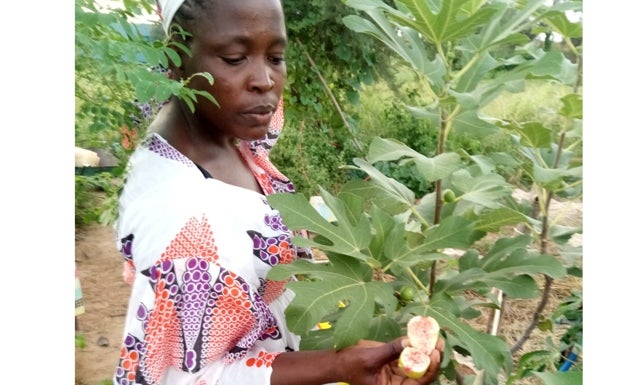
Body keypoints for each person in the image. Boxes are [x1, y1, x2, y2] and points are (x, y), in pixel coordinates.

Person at [112, 0, 445, 384]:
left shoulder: (219, 126)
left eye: (276, 56)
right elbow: (192, 377)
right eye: (235, 58)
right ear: (175, 59)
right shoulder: (187, 217)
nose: (265, 80)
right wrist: (338, 366)